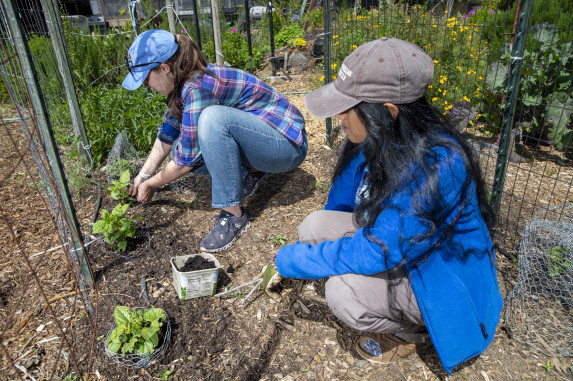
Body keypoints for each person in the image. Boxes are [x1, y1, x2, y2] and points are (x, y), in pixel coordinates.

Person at [268, 38, 503, 375]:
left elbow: (374, 251)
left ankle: (415, 332)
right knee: (313, 226)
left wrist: (295, 260)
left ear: (388, 112)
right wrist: (311, 250)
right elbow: (342, 203)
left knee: (343, 292)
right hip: (405, 245)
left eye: (348, 108)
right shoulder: (382, 139)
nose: (339, 117)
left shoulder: (438, 165)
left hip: (440, 276)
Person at [122, 29, 307, 252]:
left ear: (164, 68)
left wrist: (152, 184)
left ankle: (234, 215)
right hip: (264, 141)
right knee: (180, 147)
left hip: (286, 145)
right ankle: (251, 174)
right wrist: (142, 176)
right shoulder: (181, 85)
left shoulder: (198, 87)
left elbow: (186, 162)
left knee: (212, 121)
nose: (145, 86)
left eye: (145, 79)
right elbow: (168, 136)